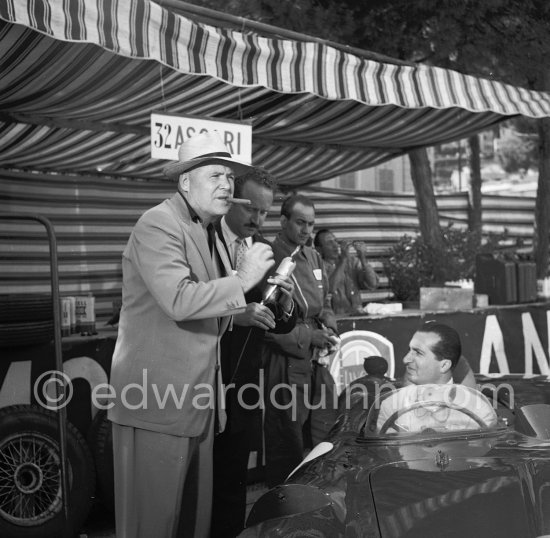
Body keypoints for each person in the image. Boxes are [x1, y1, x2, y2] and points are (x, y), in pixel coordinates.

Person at [107, 131, 276, 538]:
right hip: (156, 404)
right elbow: (179, 300)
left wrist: (242, 314)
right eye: (216, 175)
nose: (227, 184)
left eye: (230, 177)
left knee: (191, 524)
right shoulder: (158, 224)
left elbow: (203, 310)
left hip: (195, 406)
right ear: (185, 182)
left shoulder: (206, 229)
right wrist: (243, 279)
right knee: (154, 525)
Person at [211, 167, 296, 538]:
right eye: (251, 210)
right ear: (230, 199)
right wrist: (236, 312)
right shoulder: (200, 239)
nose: (258, 220)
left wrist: (286, 305)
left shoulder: (265, 249)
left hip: (245, 382)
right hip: (199, 381)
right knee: (198, 482)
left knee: (233, 481)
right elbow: (184, 302)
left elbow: (278, 323)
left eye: (265, 212)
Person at [262, 194, 339, 488]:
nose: (307, 230)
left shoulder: (313, 255)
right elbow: (268, 324)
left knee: (324, 428)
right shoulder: (270, 256)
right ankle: (283, 507)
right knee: (287, 436)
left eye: (311, 224)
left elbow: (325, 298)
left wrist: (330, 321)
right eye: (300, 223)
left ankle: (318, 495)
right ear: (283, 222)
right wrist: (311, 336)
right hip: (287, 358)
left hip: (316, 358)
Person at [376, 322, 497, 433]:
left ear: (444, 365)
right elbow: (386, 453)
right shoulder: (391, 406)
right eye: (409, 350)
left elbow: (483, 453)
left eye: (418, 353)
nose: (405, 359)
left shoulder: (479, 411)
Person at [314, 228, 378, 315]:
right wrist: (343, 260)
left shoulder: (352, 262)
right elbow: (330, 289)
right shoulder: (317, 267)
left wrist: (362, 258)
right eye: (329, 242)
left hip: (357, 316)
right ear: (319, 249)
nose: (335, 245)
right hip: (334, 320)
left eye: (336, 241)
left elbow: (372, 284)